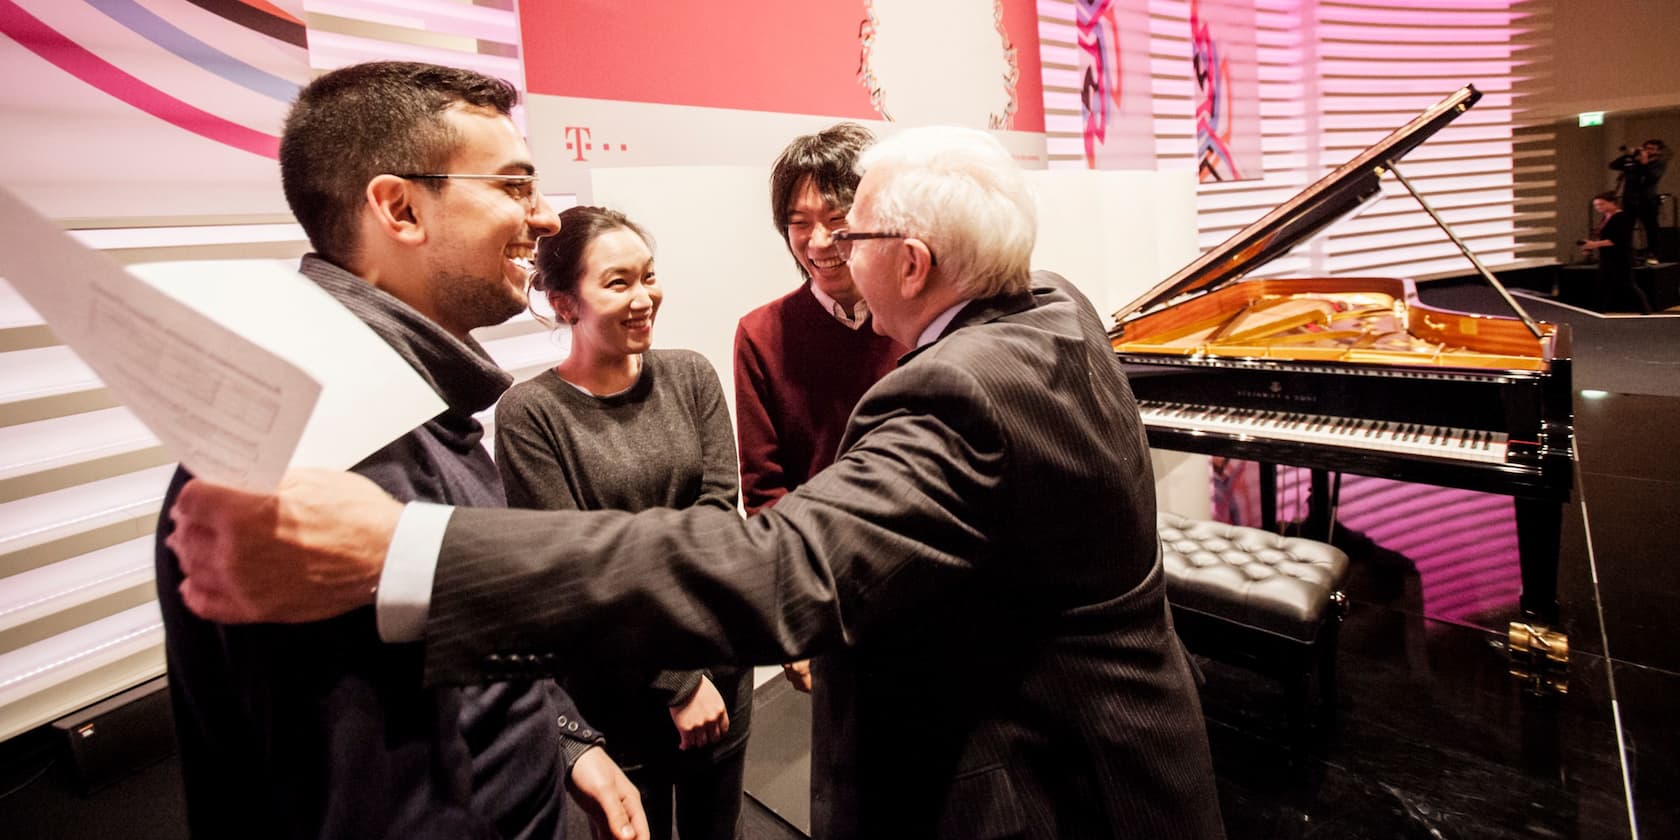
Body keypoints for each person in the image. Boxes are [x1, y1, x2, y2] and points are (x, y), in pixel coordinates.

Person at [167, 125, 1228, 839]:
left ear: (910, 265)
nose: (827, 258)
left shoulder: (965, 387)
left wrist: (411, 553)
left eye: (848, 237)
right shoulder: (1051, 303)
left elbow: (782, 567)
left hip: (1040, 788)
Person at [152, 61, 646, 840]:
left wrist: (562, 736)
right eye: (515, 186)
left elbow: (467, 651)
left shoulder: (404, 401)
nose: (547, 216)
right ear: (400, 208)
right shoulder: (327, 452)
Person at [495, 205, 751, 840]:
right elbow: (577, 573)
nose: (644, 298)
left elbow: (720, 518)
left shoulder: (690, 374)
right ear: (563, 302)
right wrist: (676, 681)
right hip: (617, 689)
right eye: (618, 282)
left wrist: (701, 673)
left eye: (649, 275)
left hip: (719, 665)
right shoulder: (530, 415)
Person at [733, 122, 906, 692]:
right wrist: (796, 618)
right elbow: (765, 491)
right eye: (799, 225)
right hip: (825, 589)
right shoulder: (762, 334)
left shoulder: (918, 318)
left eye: (838, 222)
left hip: (921, 576)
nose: (819, 242)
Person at [1581, 190, 1650, 314]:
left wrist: (1594, 245)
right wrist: (1589, 246)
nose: (1598, 208)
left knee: (1628, 283)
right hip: (1607, 256)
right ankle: (1598, 310)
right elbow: (1603, 237)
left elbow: (1617, 240)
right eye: (1596, 205)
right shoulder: (1606, 217)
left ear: (1612, 203)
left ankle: (1645, 309)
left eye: (1601, 204)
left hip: (1620, 257)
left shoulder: (1622, 217)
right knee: (1603, 283)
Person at [1610, 138, 1668, 258]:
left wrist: (1644, 162)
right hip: (1630, 199)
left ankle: (1653, 253)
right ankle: (1627, 253)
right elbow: (1613, 165)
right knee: (1627, 228)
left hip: (1647, 200)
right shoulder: (1633, 160)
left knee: (1650, 228)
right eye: (1646, 148)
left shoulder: (1659, 164)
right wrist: (1629, 156)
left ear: (1659, 152)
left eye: (1652, 149)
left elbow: (1651, 177)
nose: (1648, 150)